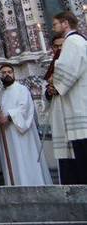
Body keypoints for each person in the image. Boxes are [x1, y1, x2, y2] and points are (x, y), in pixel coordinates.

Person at [0, 63, 51, 186]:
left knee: (26, 159)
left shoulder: (22, 89)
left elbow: (25, 108)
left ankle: (34, 185)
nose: (7, 74)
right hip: (6, 134)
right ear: (0, 76)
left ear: (14, 74)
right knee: (12, 162)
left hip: (21, 134)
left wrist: (8, 117)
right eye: (3, 73)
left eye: (9, 72)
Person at [49, 11, 87, 183]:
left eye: (55, 24)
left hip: (77, 106)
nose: (53, 27)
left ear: (65, 23)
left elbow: (67, 70)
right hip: (78, 101)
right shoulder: (80, 41)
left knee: (82, 157)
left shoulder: (72, 41)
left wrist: (54, 83)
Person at [46, 36, 80, 184]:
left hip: (76, 115)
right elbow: (46, 94)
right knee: (65, 156)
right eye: (56, 47)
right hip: (60, 115)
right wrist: (49, 91)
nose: (59, 50)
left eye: (62, 46)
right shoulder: (51, 68)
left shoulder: (77, 62)